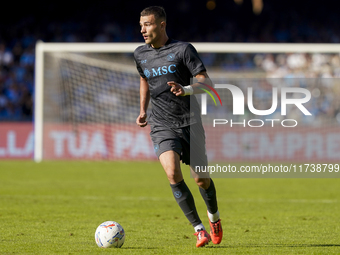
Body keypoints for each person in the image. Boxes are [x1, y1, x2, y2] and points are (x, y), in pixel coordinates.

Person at [134, 6, 222, 247]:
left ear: (162, 25)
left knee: (201, 180)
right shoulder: (140, 54)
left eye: (148, 24)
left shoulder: (183, 50)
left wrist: (187, 90)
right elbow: (144, 78)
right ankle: (198, 229)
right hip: (162, 124)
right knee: (172, 173)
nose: (143, 29)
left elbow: (207, 82)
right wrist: (143, 109)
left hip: (190, 123)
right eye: (141, 25)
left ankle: (214, 218)